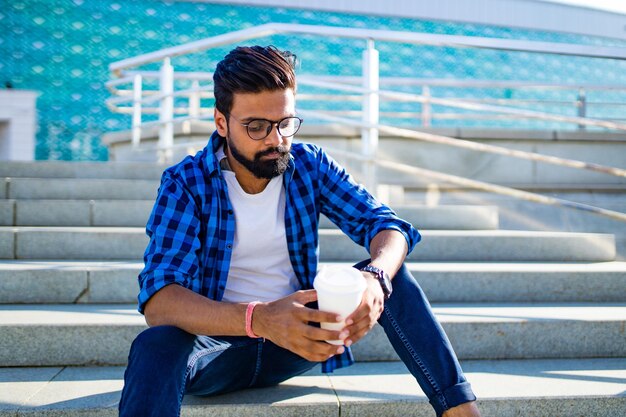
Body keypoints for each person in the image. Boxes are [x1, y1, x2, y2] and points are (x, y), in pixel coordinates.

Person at [118, 45, 481, 417]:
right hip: (214, 352)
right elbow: (160, 300)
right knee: (156, 343)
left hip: (298, 342)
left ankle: (461, 412)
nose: (275, 140)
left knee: (393, 277)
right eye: (256, 126)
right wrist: (258, 318)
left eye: (285, 123)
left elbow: (387, 226)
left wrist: (376, 277)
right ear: (221, 122)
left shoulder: (308, 165)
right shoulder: (186, 183)